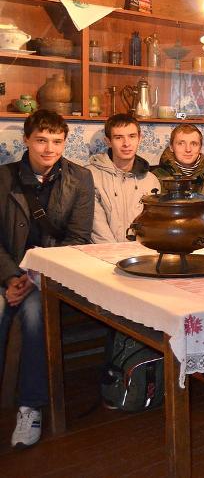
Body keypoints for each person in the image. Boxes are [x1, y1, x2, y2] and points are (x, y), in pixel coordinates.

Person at [0, 110, 94, 448]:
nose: (49, 148)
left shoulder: (80, 178)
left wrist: (33, 276)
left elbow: (78, 239)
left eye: (57, 141)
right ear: (26, 140)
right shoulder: (4, 178)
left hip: (50, 275)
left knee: (33, 312)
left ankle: (30, 406)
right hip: (8, 272)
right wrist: (12, 276)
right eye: (41, 140)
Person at [86, 114, 160, 243]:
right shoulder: (90, 176)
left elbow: (153, 226)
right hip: (104, 252)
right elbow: (97, 228)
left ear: (139, 138)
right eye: (118, 137)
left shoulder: (151, 181)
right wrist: (117, 253)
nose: (126, 143)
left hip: (141, 252)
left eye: (132, 136)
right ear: (108, 141)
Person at [151, 123, 204, 192]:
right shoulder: (155, 177)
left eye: (194, 144)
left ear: (200, 148)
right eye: (181, 143)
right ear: (171, 147)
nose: (188, 149)